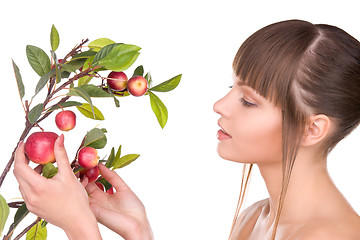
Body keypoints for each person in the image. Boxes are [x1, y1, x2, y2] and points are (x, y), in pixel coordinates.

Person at [13, 19, 360, 240]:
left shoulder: (330, 236)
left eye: (249, 101)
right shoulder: (256, 216)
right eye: (231, 87)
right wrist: (139, 231)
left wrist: (80, 227)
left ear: (311, 129)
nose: (220, 105)